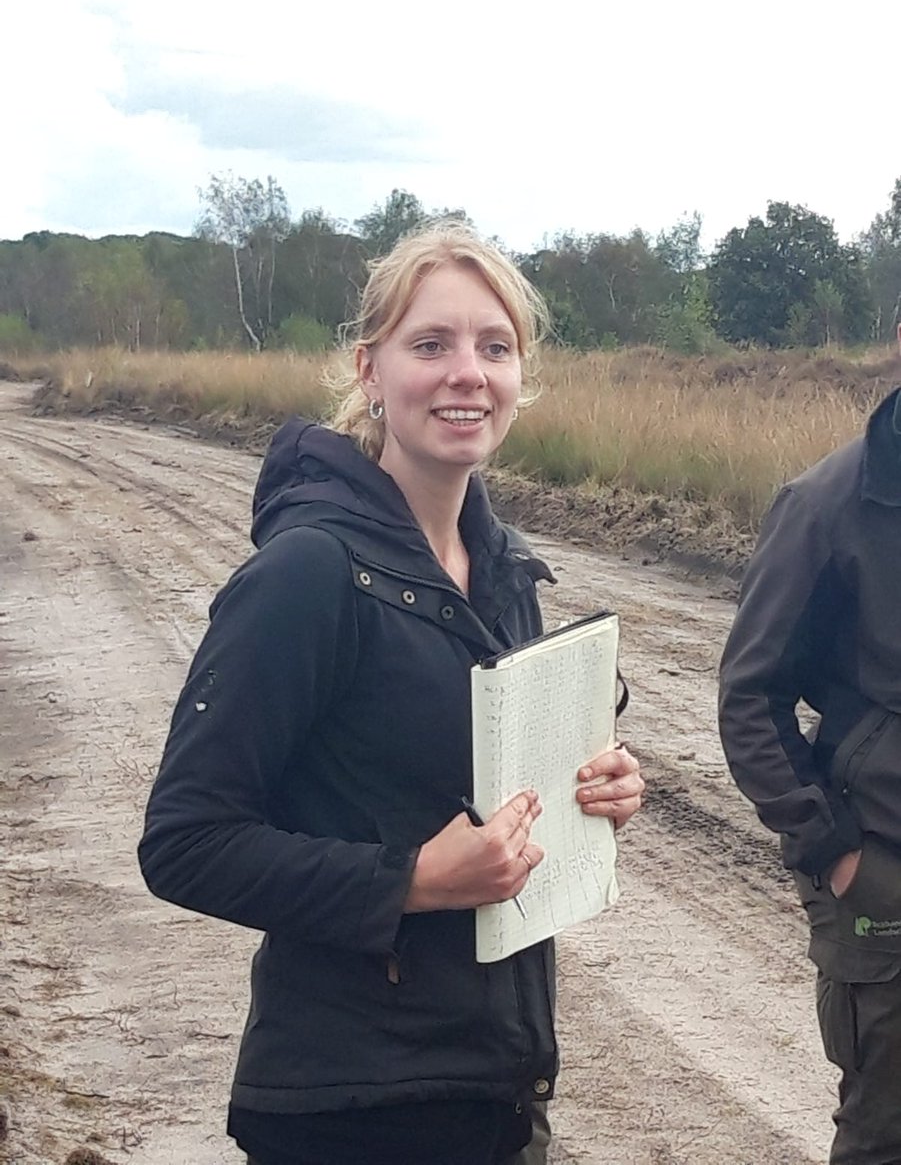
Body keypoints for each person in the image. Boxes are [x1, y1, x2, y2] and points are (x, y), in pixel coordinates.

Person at [138, 222, 644, 1165]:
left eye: (495, 347)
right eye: (430, 344)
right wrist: (412, 880)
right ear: (369, 371)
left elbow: (483, 783)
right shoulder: (307, 575)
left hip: (495, 1089)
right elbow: (185, 843)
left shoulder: (502, 572)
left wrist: (590, 787)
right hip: (351, 1107)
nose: (467, 373)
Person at [718, 380, 901, 1163]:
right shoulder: (825, 506)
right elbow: (749, 697)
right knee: (885, 1131)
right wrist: (831, 847)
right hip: (883, 867)